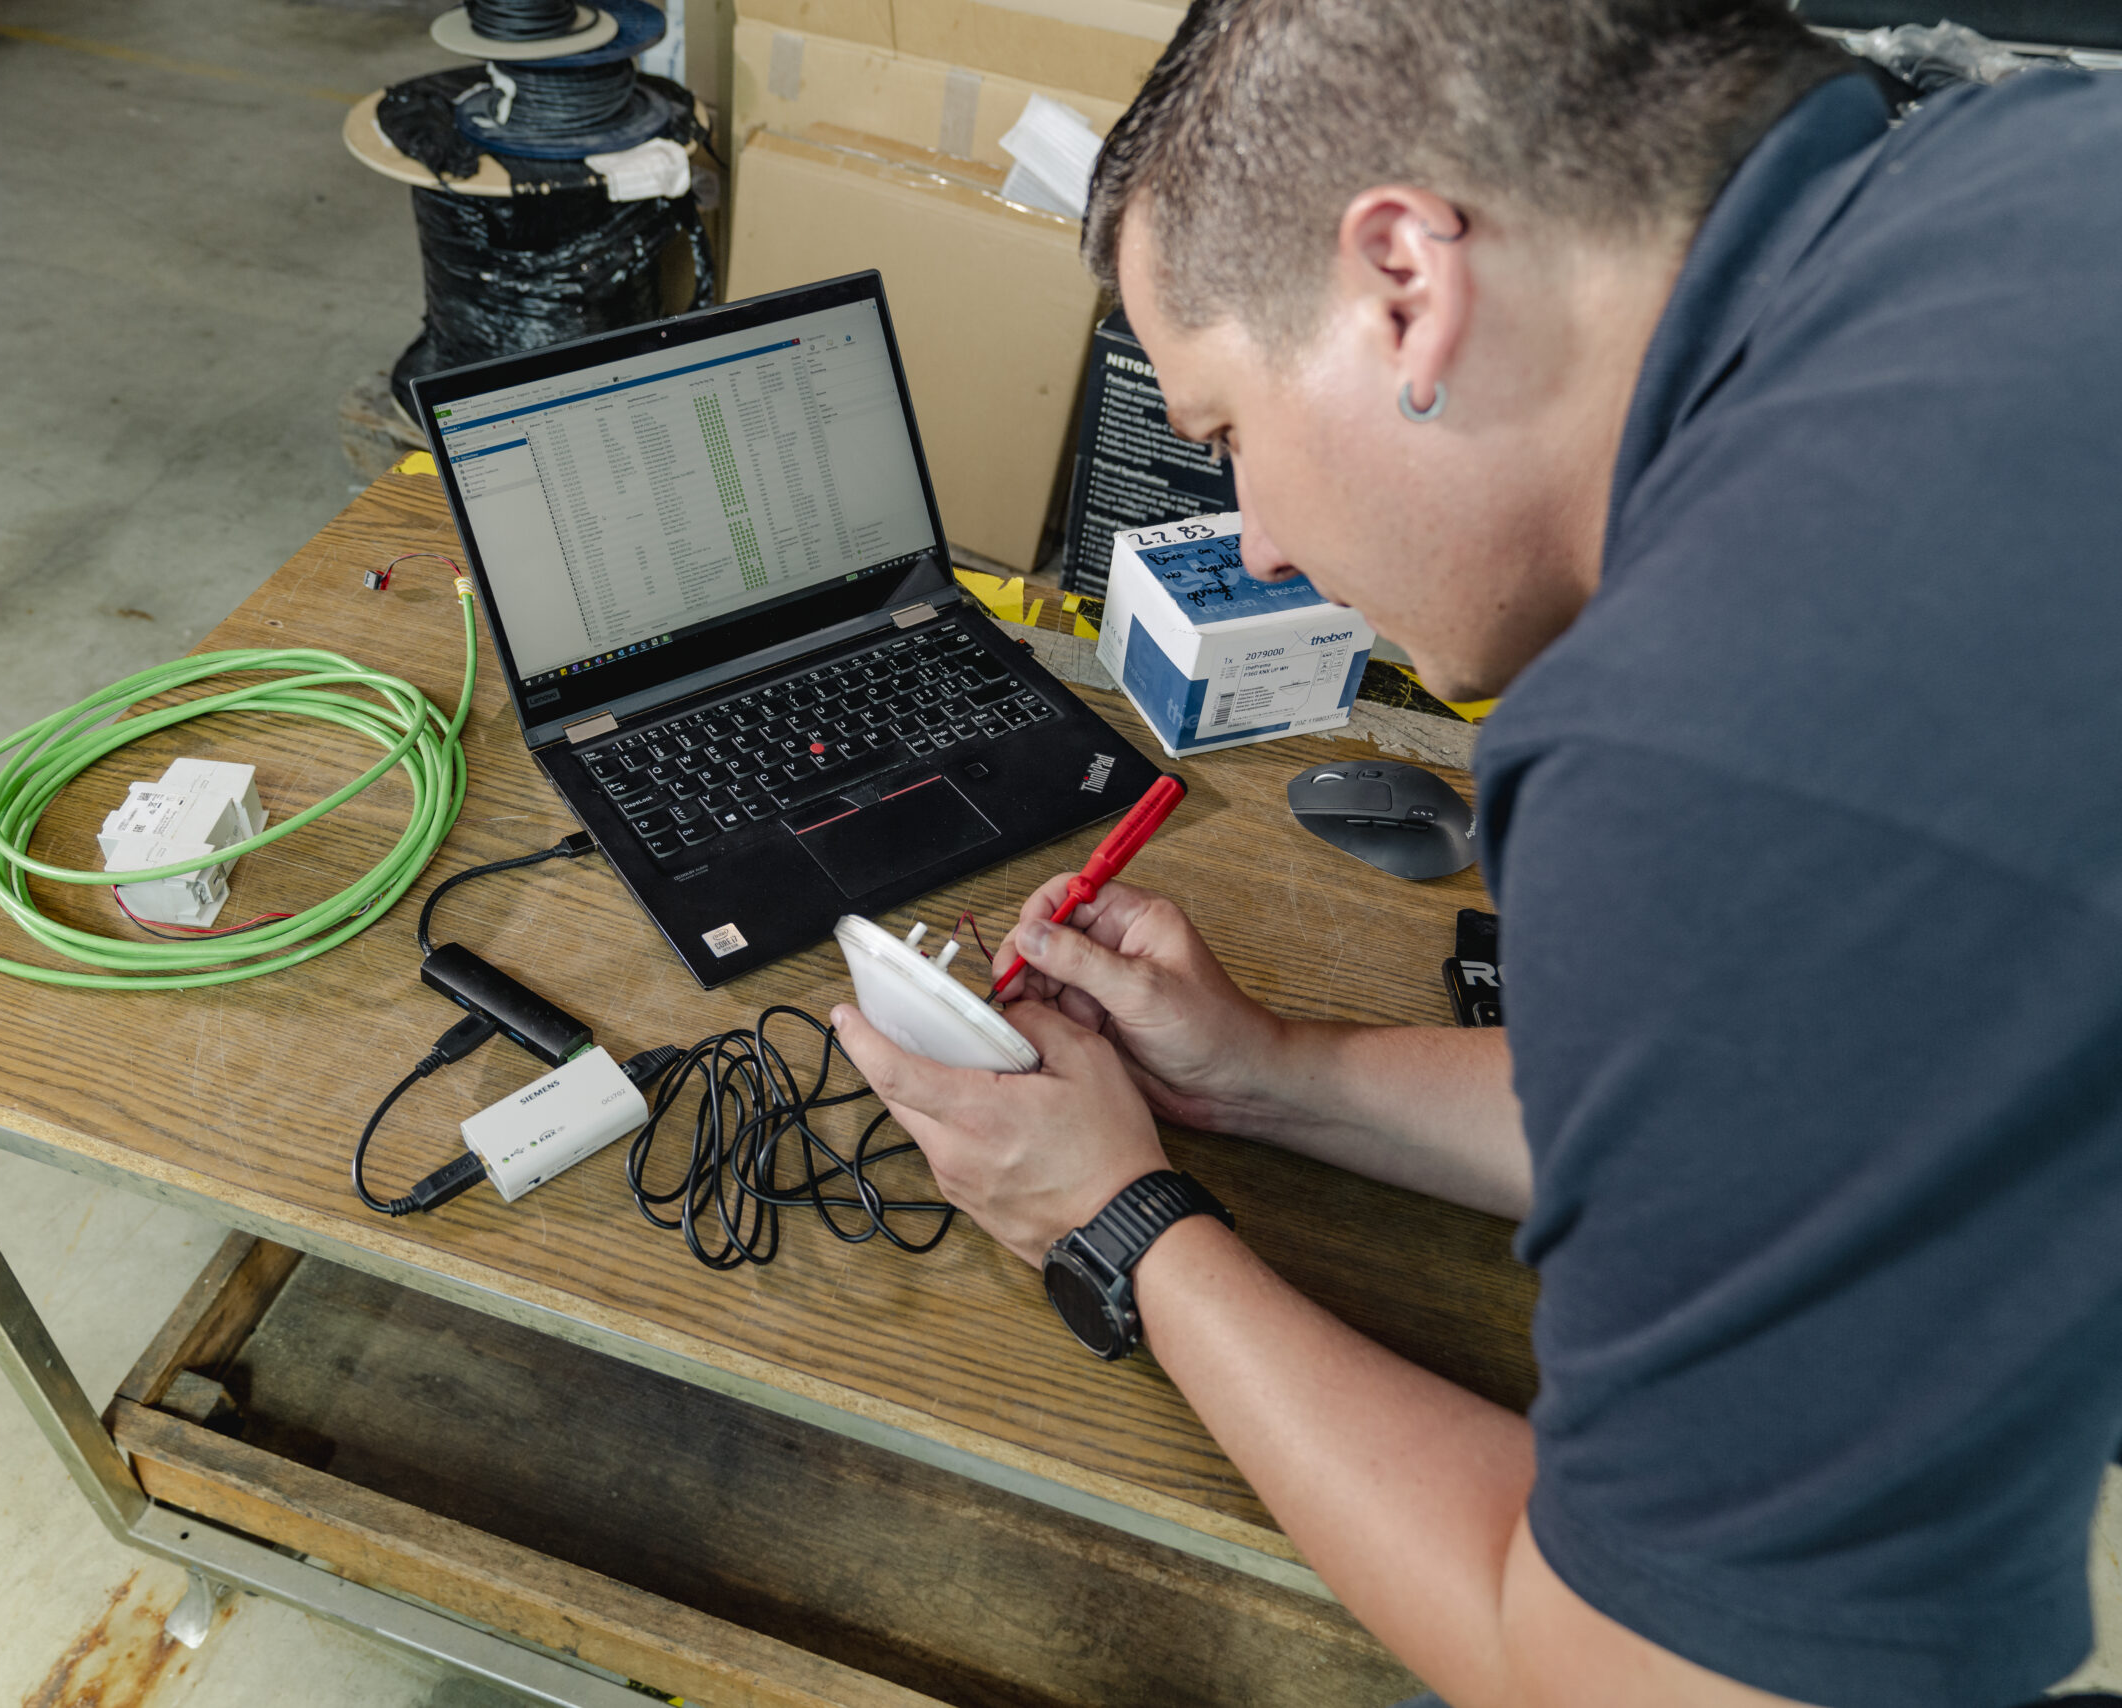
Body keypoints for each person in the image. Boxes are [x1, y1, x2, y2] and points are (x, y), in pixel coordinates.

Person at [825, 2, 2122, 1703]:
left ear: (1403, 284)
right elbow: (1818, 1101)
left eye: (1222, 437)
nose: (1264, 548)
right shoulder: (2032, 169)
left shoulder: (1718, 722)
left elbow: (1642, 1682)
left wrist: (1115, 1219)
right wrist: (1272, 1079)